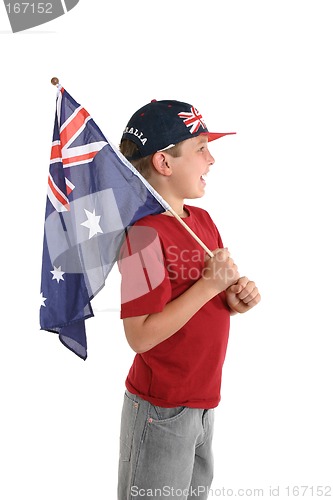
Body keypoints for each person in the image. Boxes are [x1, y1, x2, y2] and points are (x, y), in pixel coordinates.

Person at [116, 99, 261, 500]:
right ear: (164, 162)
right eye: (200, 148)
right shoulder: (143, 236)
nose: (211, 159)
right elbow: (140, 336)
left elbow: (216, 294)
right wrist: (210, 288)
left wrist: (235, 297)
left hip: (203, 404)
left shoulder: (204, 222)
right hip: (160, 412)